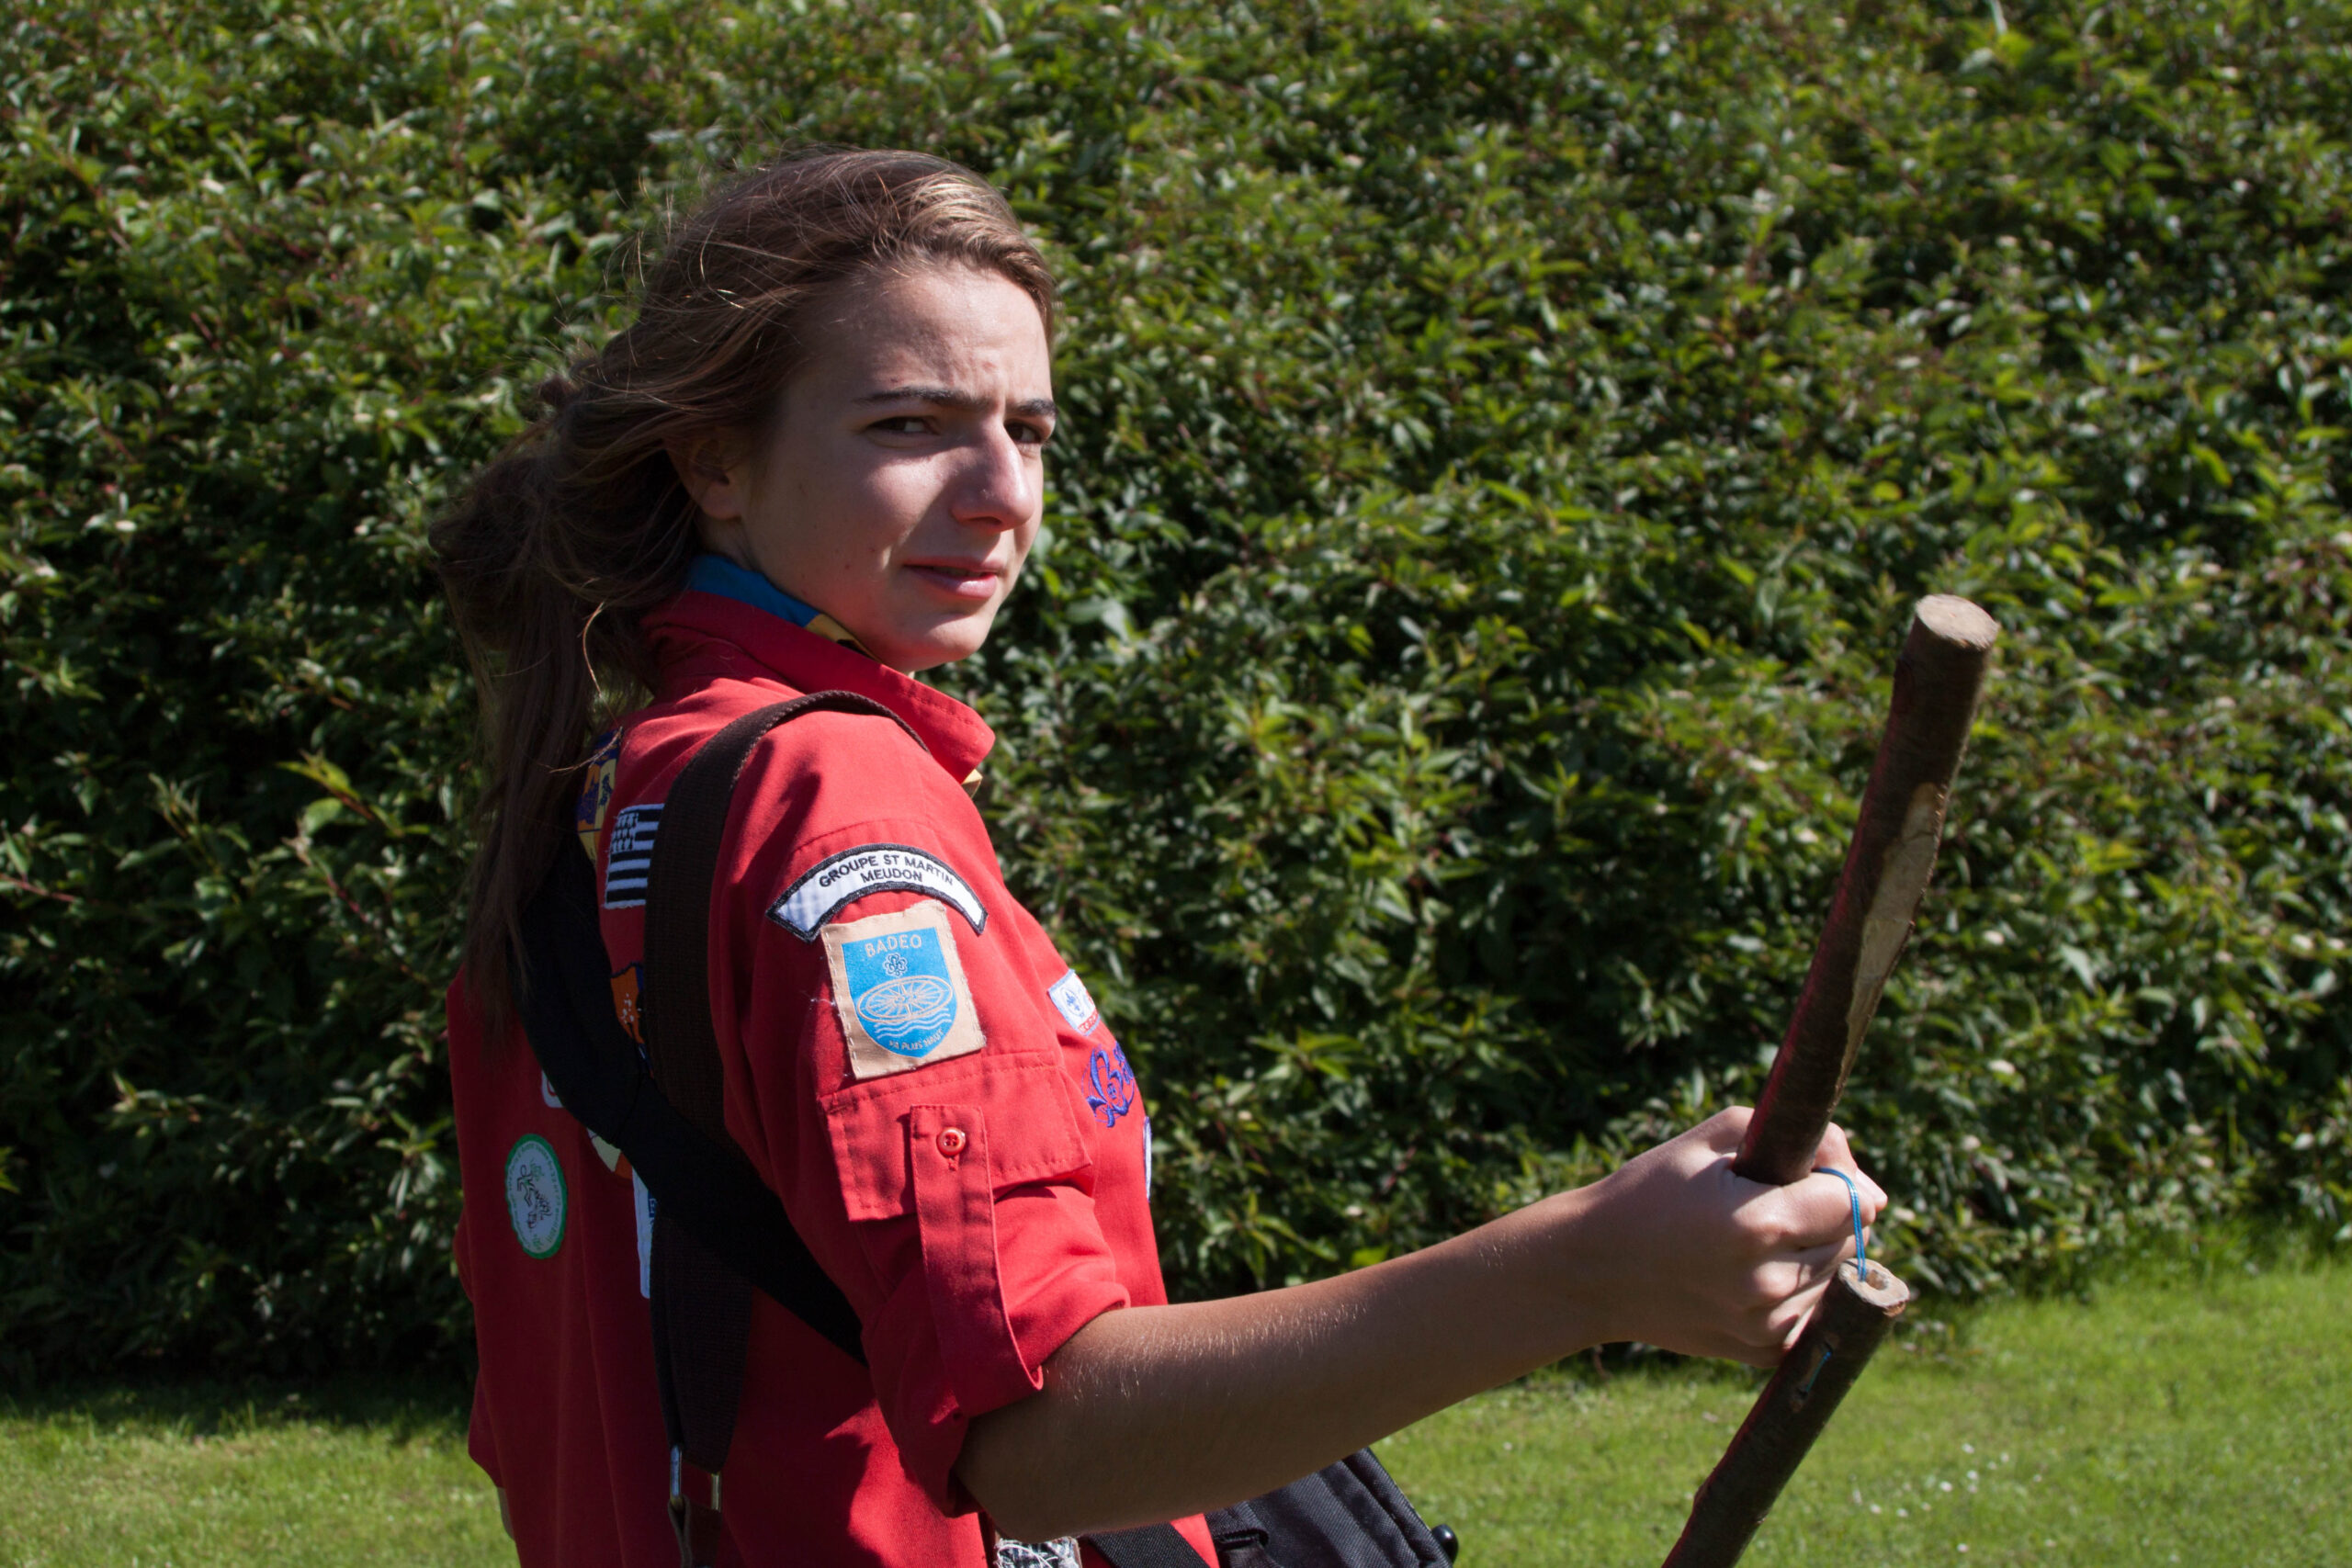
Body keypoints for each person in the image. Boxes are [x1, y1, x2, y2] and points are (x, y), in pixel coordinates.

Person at [431, 149, 1884, 1568]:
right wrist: (1588, 1266)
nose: (1002, 492)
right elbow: (1040, 1430)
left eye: (1033, 429)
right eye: (910, 425)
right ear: (718, 463)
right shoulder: (830, 795)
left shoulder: (605, 783)